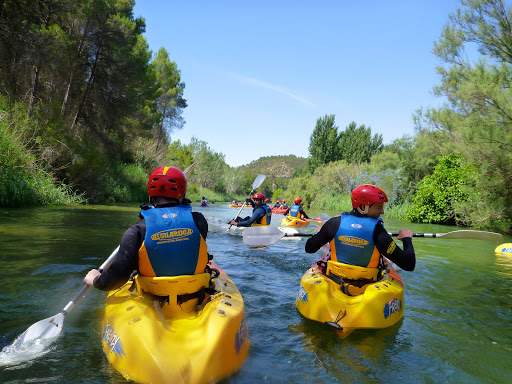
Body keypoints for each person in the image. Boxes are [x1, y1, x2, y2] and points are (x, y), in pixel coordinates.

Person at [84, 166, 209, 291]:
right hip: (194, 292)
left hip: (153, 294)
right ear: (183, 192)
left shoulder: (137, 230)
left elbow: (114, 279)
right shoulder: (199, 221)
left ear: (151, 193)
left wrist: (95, 279)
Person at [305, 184, 415, 293]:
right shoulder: (378, 230)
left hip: (334, 284)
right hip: (365, 289)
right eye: (379, 207)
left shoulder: (334, 223)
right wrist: (407, 239)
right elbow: (409, 264)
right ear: (363, 207)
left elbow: (309, 248)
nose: (382, 212)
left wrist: (323, 234)